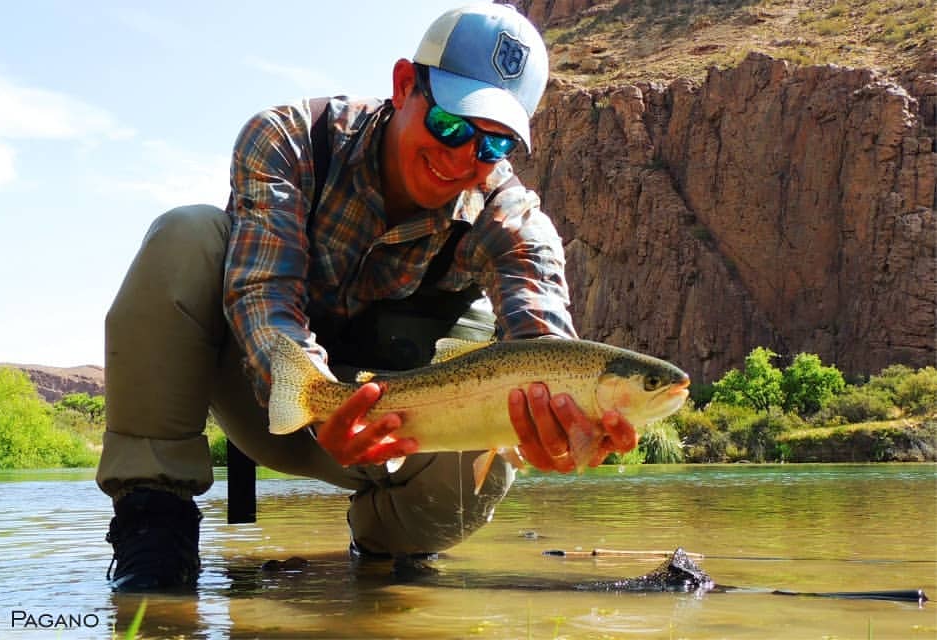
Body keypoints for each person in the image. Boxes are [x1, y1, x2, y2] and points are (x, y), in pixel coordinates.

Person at [96, 3, 637, 592]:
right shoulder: (289, 139)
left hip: (394, 434)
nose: (461, 160)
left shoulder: (511, 219)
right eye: (452, 126)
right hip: (266, 402)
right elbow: (265, 294)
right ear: (405, 84)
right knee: (189, 236)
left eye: (492, 146)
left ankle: (385, 549)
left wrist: (561, 420)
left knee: (492, 406)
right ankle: (155, 524)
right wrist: (320, 397)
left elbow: (544, 340)